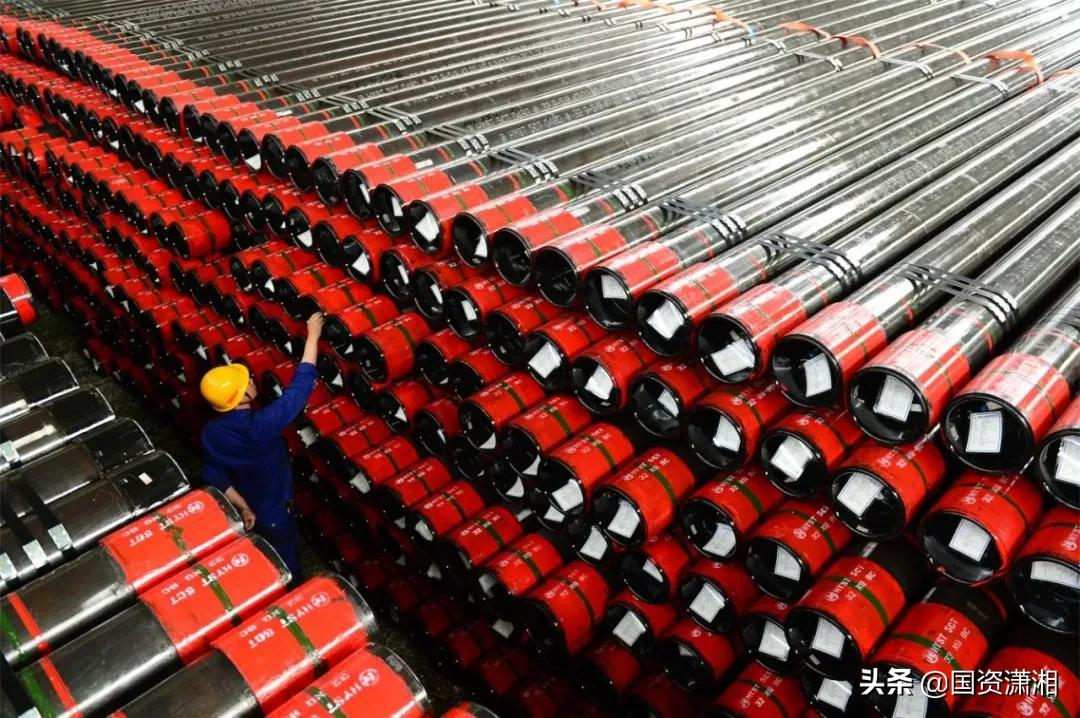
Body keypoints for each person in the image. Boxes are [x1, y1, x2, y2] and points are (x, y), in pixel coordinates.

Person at [198, 312, 324, 578]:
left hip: (253, 512)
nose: (253, 380)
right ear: (240, 397)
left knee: (263, 561)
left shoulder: (212, 431)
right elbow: (298, 391)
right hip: (275, 514)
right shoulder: (259, 427)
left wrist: (243, 507)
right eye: (246, 383)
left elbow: (213, 474)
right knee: (285, 569)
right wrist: (313, 336)